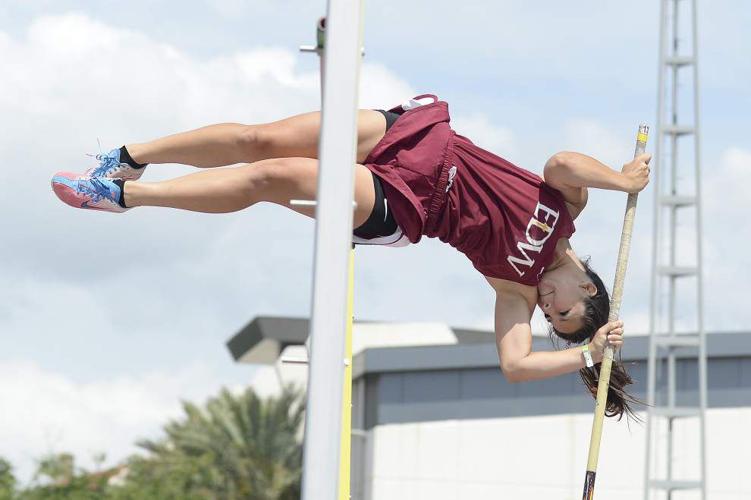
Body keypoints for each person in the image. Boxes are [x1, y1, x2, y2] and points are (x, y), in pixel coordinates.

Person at [52, 94, 649, 419]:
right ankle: (130, 155)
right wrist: (623, 181)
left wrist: (586, 355)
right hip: (418, 139)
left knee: (271, 176)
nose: (549, 310)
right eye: (563, 315)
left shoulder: (512, 291)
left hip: (407, 204)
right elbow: (563, 164)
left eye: (552, 322)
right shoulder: (569, 210)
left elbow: (515, 367)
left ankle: (124, 196)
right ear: (590, 290)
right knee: (260, 138)